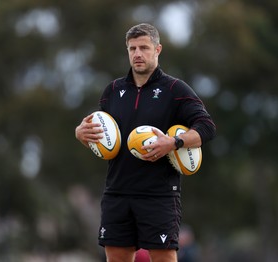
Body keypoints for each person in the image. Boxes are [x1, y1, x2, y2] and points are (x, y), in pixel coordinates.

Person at [75, 23, 216, 262]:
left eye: (144, 48)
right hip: (117, 192)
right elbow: (99, 131)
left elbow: (207, 127)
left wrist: (174, 142)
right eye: (132, 49)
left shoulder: (175, 89)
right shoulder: (113, 90)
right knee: (116, 258)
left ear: (158, 50)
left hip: (158, 194)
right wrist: (81, 132)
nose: (137, 54)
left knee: (163, 258)